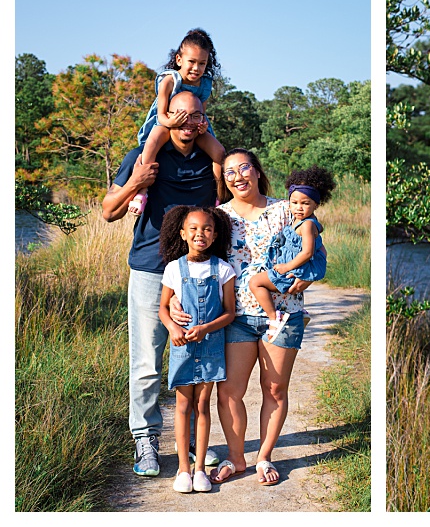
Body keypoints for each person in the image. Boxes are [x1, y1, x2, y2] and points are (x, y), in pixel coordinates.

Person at [102, 90, 220, 478]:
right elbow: (108, 211)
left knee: (192, 358)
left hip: (196, 271)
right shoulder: (145, 156)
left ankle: (188, 439)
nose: (189, 122)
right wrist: (136, 179)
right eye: (180, 114)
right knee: (148, 361)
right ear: (165, 115)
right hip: (151, 269)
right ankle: (146, 438)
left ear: (205, 121)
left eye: (197, 116)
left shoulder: (210, 159)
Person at [187, 149, 312, 487]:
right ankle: (236, 456)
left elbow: (316, 251)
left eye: (244, 168)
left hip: (284, 313)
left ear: (257, 171)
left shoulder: (286, 210)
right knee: (229, 392)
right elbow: (196, 261)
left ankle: (265, 457)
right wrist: (173, 303)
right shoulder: (218, 217)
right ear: (223, 180)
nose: (238, 176)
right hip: (235, 316)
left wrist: (310, 277)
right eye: (229, 172)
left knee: (274, 388)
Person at [156, 206, 236, 493]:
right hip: (183, 349)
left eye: (206, 229)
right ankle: (183, 470)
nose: (199, 234)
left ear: (214, 236)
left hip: (212, 346)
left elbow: (229, 313)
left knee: (203, 406)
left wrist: (205, 328)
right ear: (182, 233)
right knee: (182, 406)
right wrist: (173, 328)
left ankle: (200, 469)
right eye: (193, 228)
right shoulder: (173, 268)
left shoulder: (224, 270)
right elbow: (163, 309)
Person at [128, 28, 226, 216]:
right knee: (153, 141)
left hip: (192, 127)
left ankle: (218, 195)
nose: (196, 68)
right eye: (192, 62)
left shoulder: (205, 83)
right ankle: (141, 192)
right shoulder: (170, 80)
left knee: (219, 151)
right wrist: (172, 122)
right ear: (179, 60)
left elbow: (202, 113)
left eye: (202, 63)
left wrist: (202, 126)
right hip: (167, 122)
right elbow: (161, 115)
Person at [247, 166, 335, 342]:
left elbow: (309, 251)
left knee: (255, 282)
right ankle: (298, 313)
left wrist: (288, 267)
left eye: (305, 203)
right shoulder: (299, 221)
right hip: (292, 269)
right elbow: (321, 249)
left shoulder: (307, 225)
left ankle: (274, 318)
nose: (299, 208)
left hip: (291, 270)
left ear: (316, 204)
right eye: (294, 203)